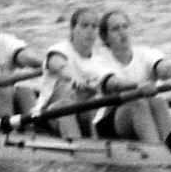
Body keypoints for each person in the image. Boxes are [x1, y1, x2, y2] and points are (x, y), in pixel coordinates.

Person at [95, 9, 171, 144]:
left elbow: (165, 68)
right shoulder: (98, 61)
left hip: (144, 114)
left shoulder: (145, 53)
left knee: (159, 102)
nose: (122, 32)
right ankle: (159, 153)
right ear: (105, 37)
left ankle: (170, 146)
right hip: (111, 125)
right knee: (138, 102)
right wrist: (137, 86)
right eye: (115, 29)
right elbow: (113, 83)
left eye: (125, 27)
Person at [36, 8, 122, 140]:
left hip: (85, 114)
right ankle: (79, 149)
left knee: (98, 104)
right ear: (72, 29)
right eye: (84, 25)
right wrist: (73, 77)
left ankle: (97, 146)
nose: (90, 31)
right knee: (65, 104)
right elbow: (58, 65)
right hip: (49, 115)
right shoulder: (59, 49)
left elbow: (111, 82)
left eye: (94, 27)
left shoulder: (100, 59)